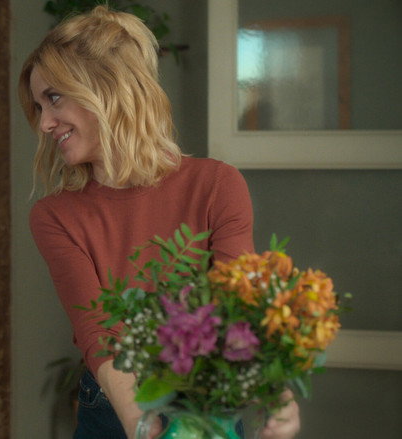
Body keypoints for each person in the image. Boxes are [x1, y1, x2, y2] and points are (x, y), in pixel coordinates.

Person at [18, 6, 300, 439]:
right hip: (112, 409)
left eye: (53, 98)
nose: (44, 123)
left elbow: (238, 303)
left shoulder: (216, 185)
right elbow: (99, 333)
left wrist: (276, 395)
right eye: (38, 107)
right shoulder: (55, 216)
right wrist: (144, 425)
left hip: (205, 407)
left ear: (107, 88)